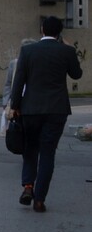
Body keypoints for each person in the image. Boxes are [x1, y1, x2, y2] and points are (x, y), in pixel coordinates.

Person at [6, 16, 83, 213]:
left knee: (30, 149)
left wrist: (14, 105)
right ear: (59, 33)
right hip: (57, 110)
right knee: (48, 153)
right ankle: (39, 200)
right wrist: (67, 47)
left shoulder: (28, 51)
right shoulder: (66, 51)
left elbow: (19, 81)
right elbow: (77, 74)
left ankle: (28, 187)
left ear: (42, 29)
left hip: (31, 109)